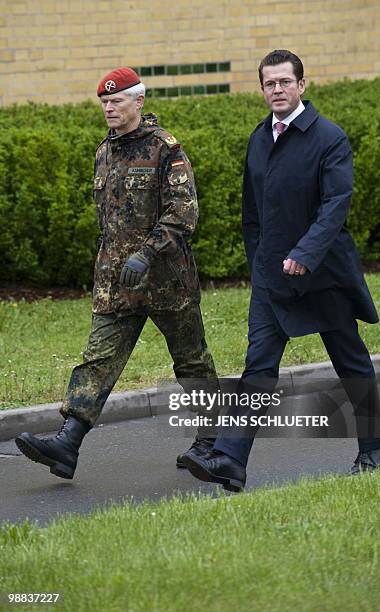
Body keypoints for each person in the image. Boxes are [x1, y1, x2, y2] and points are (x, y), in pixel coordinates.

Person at [182, 50, 380, 492]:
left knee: (350, 361)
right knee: (258, 366)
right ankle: (231, 459)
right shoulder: (259, 139)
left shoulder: (329, 138)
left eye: (284, 82)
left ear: (302, 85)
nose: (276, 89)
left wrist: (304, 253)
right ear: (262, 90)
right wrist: (260, 264)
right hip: (273, 279)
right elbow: (251, 214)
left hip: (323, 275)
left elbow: (336, 205)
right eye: (269, 83)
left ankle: (375, 447)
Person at [15, 67, 219, 479]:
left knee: (192, 363)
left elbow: (184, 212)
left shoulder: (165, 149)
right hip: (116, 284)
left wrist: (147, 254)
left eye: (117, 100)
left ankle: (213, 441)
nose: (109, 106)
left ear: (138, 102)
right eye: (104, 101)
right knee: (97, 360)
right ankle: (67, 443)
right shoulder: (103, 152)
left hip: (167, 282)